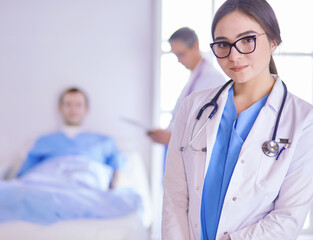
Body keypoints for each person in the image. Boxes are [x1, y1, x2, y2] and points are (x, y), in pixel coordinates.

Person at [162, 1, 313, 240]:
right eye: (223, 44)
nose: (233, 55)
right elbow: (175, 197)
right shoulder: (193, 108)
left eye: (246, 40)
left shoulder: (303, 119)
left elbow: (289, 216)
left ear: (273, 41)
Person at [17, 87, 124, 189]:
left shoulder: (103, 141)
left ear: (86, 110)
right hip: (49, 187)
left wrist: (114, 188)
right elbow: (24, 176)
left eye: (78, 105)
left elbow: (117, 170)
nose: (73, 109)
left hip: (88, 186)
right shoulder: (43, 141)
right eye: (68, 104)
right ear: (60, 109)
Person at [147, 27, 225, 145]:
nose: (178, 60)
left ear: (195, 46)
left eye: (180, 54)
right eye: (176, 55)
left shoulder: (212, 79)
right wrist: (168, 133)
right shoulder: (195, 76)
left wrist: (175, 138)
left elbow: (207, 126)